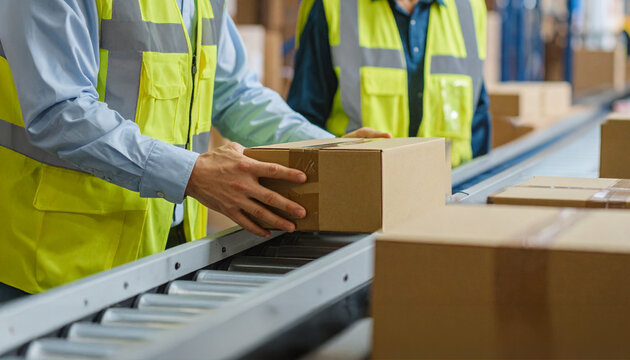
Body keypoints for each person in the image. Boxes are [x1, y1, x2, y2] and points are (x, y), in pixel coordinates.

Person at [0, 0, 389, 298]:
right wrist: (191, 174)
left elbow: (234, 93)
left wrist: (326, 148)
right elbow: (60, 110)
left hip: (167, 249)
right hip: (57, 262)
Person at [287, 0, 491, 167]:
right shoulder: (333, 5)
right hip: (360, 197)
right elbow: (306, 122)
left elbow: (477, 120)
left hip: (451, 196)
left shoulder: (469, 7)